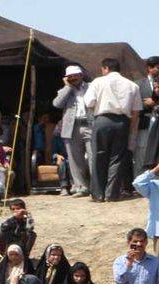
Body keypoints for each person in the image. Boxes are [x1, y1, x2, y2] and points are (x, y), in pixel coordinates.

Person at [86, 58, 142, 203]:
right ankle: (112, 194)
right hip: (122, 121)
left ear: (105, 68)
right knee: (117, 159)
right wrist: (129, 127)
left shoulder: (97, 82)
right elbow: (136, 111)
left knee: (99, 156)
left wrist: (99, 113)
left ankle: (98, 194)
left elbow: (89, 102)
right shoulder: (132, 85)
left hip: (102, 119)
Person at [54, 65, 94, 198]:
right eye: (70, 76)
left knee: (93, 157)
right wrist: (67, 87)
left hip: (89, 124)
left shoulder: (91, 87)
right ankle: (81, 187)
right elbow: (57, 104)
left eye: (75, 75)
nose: (73, 78)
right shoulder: (65, 90)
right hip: (72, 127)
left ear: (81, 75)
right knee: (75, 159)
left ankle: (96, 186)